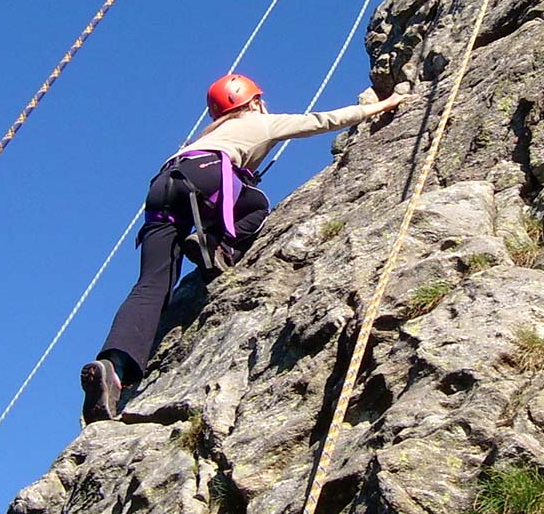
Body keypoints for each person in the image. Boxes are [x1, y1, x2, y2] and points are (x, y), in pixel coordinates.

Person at [80, 73, 411, 423]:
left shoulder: (202, 137)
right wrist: (383, 106)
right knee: (255, 204)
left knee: (151, 286)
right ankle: (216, 243)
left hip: (162, 185)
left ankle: (112, 369)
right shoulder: (258, 121)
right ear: (252, 102)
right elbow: (318, 121)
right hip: (209, 175)